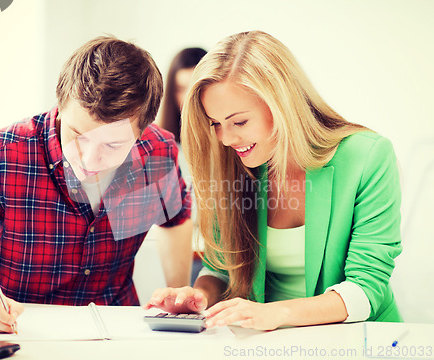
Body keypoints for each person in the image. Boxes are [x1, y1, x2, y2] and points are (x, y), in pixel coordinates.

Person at [144, 30, 402, 331]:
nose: (226, 139)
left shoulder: (368, 156)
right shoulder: (234, 164)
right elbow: (221, 270)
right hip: (267, 341)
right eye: (215, 123)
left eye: (239, 122)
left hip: (362, 339)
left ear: (283, 104)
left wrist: (275, 314)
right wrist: (199, 295)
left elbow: (366, 290)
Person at [0, 36, 193, 333]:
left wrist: (180, 296)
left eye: (112, 145)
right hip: (18, 329)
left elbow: (175, 219)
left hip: (117, 331)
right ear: (61, 101)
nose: (90, 159)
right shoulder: (1, 155)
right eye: (77, 134)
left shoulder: (157, 151)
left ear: (142, 130)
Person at [158, 47, 207, 145]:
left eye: (195, 88)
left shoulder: (226, 138)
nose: (187, 97)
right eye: (180, 89)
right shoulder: (155, 141)